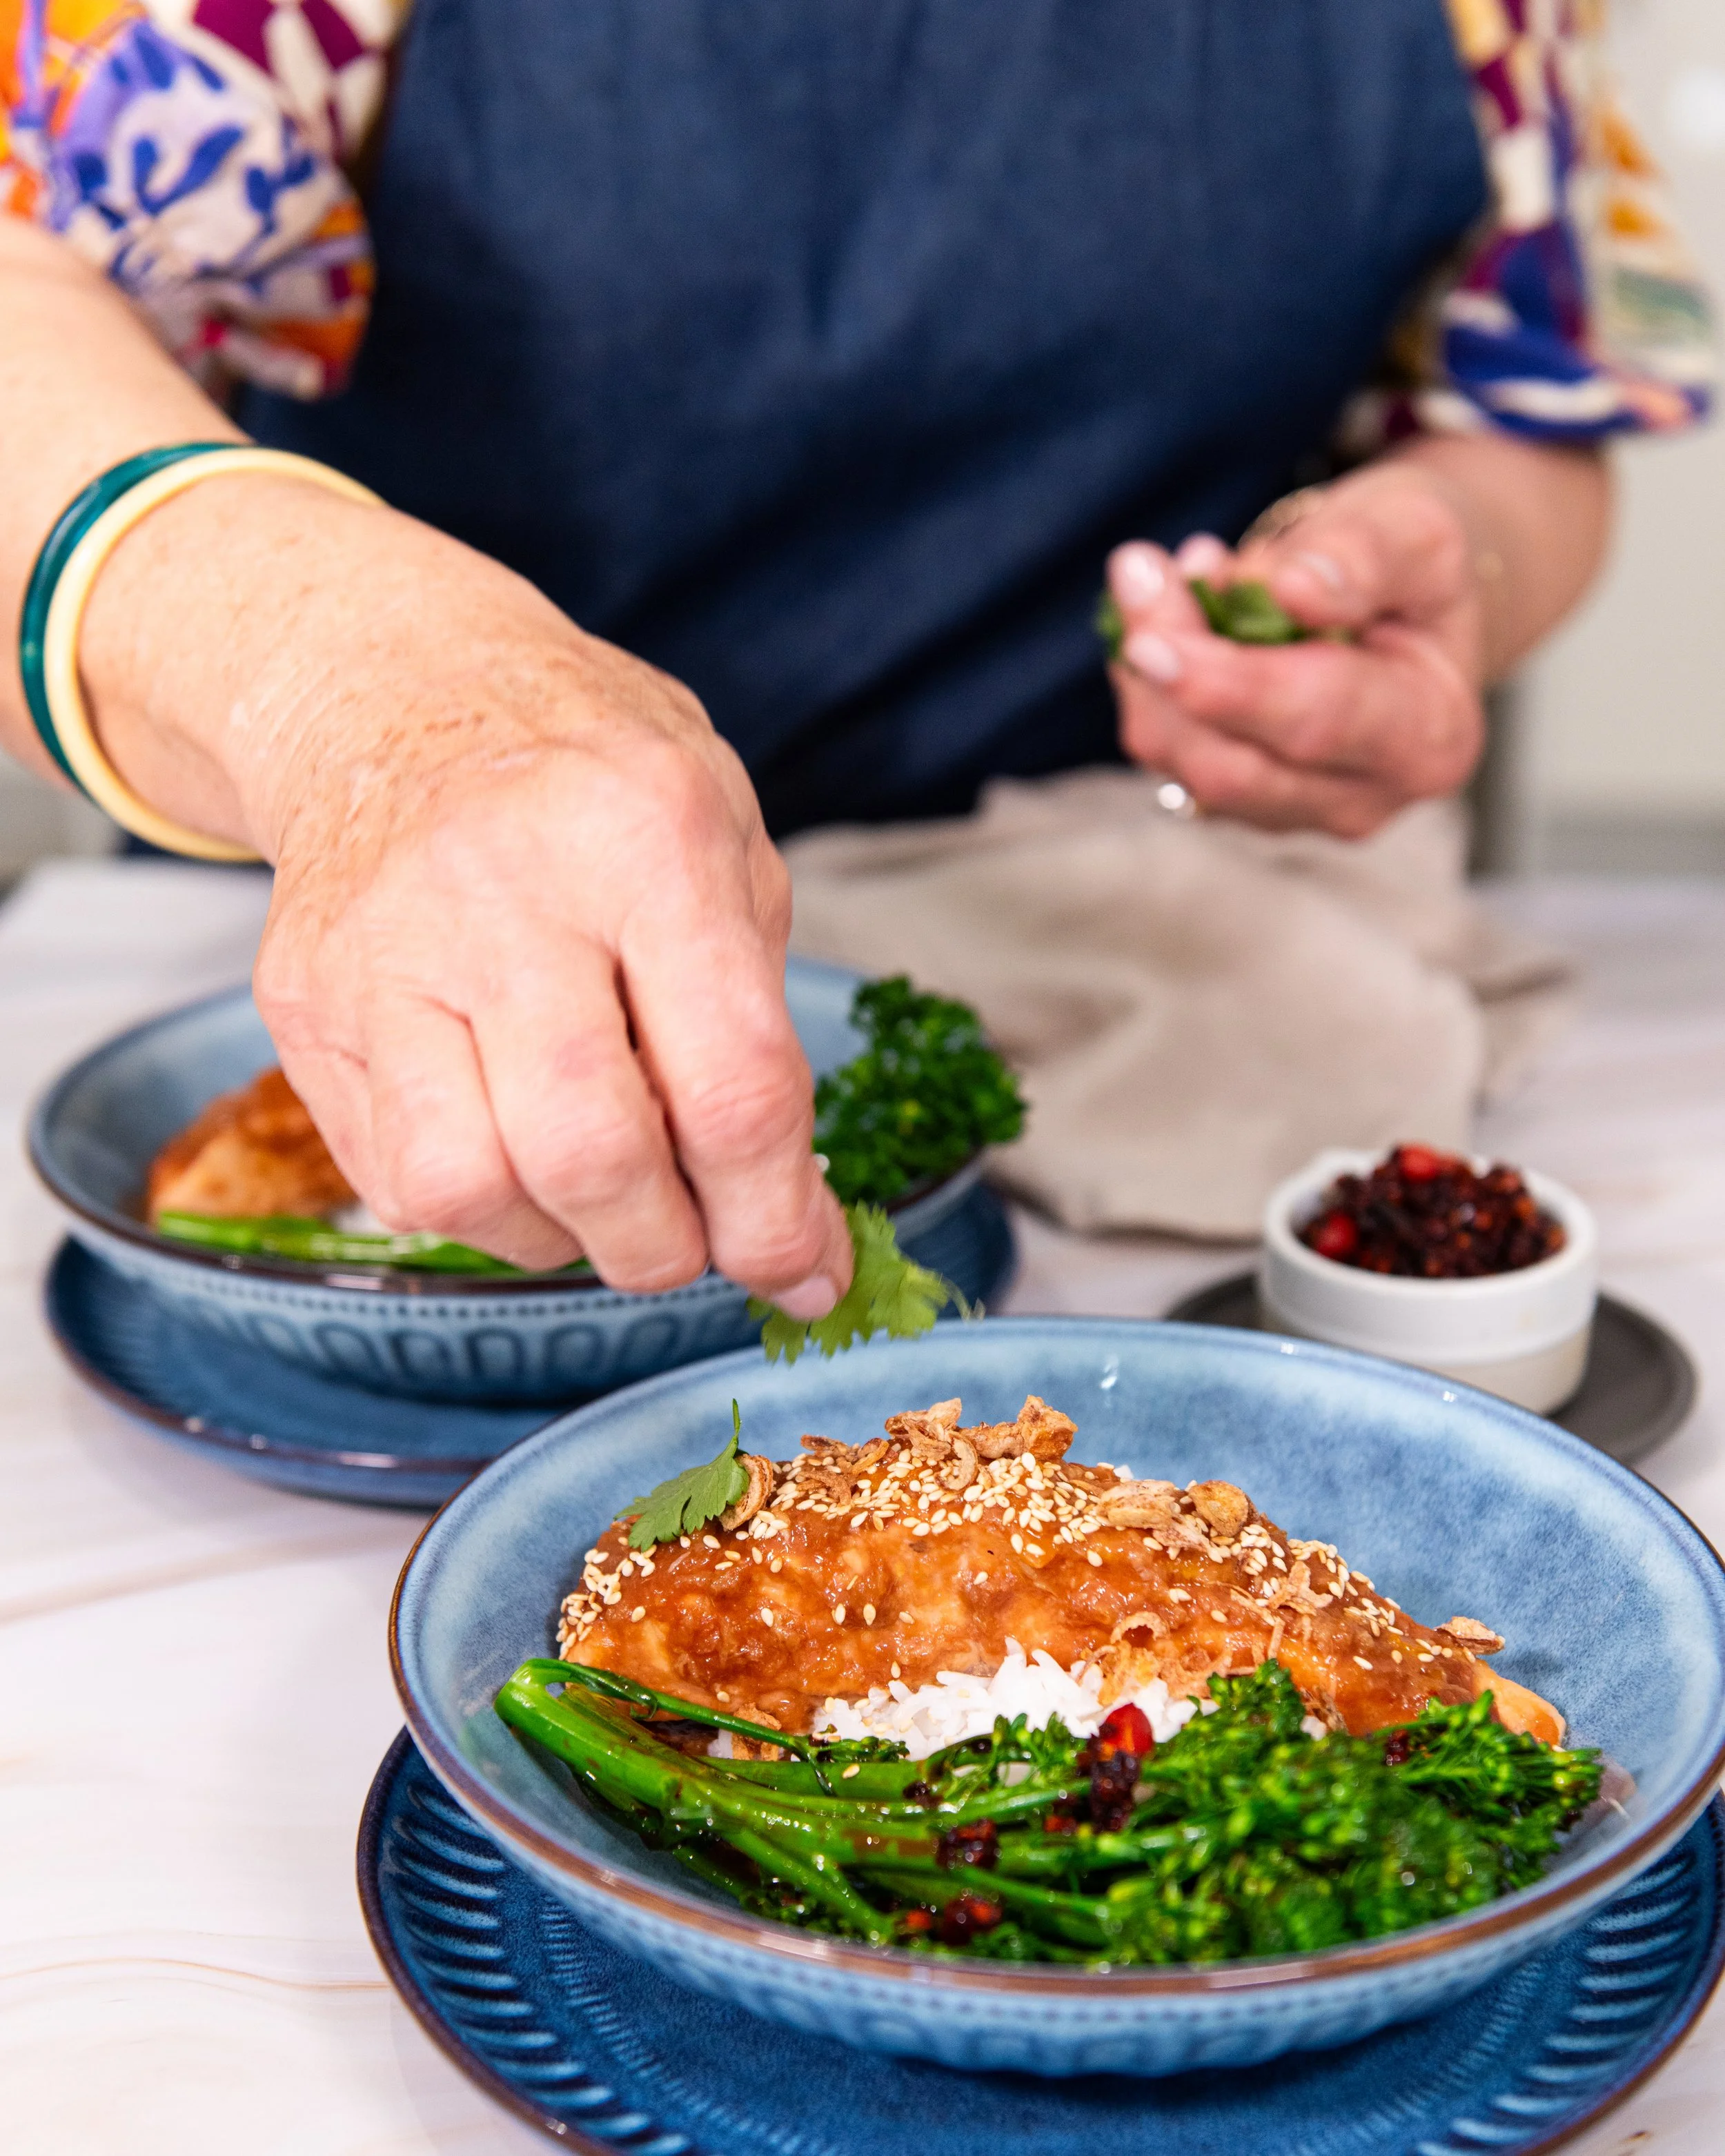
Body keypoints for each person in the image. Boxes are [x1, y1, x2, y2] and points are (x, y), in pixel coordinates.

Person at [0, 1, 1711, 1314]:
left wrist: (1442, 568)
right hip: (390, 1033)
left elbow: (1516, 417)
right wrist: (370, 698)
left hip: (1124, 972)